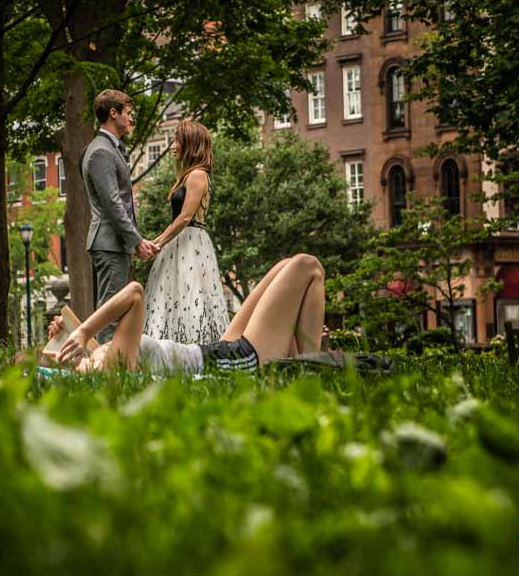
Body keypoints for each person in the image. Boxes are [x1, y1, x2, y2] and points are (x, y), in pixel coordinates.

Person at [45, 254, 325, 375]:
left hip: (216, 350)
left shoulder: (101, 360)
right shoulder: (113, 368)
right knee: (307, 267)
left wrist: (69, 336)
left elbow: (89, 353)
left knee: (287, 265)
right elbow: (134, 293)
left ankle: (300, 366)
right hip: (236, 362)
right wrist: (83, 331)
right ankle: (311, 371)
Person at [81, 89, 158, 342]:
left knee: (112, 311)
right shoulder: (101, 151)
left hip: (115, 244)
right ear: (112, 114)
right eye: (128, 113)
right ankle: (106, 374)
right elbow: (113, 204)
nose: (131, 118)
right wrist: (136, 240)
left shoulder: (110, 148)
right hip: (109, 244)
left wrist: (133, 243)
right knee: (109, 315)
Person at [143, 120, 229, 344]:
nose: (172, 146)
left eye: (177, 140)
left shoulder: (198, 174)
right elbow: (176, 220)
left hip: (192, 242)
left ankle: (193, 349)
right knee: (171, 297)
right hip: (179, 241)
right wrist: (155, 243)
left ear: (190, 144)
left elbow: (185, 217)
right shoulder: (189, 175)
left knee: (191, 296)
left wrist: (158, 244)